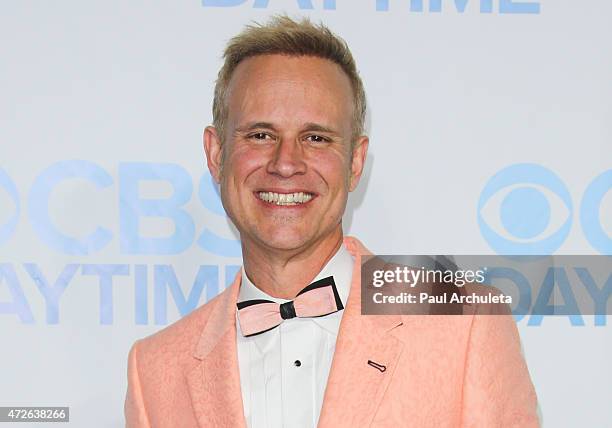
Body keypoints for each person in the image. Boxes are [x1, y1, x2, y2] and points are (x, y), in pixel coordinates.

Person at [124, 15, 538, 428]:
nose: (286, 164)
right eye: (261, 135)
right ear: (217, 155)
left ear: (355, 162)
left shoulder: (465, 323)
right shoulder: (155, 370)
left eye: (316, 138)